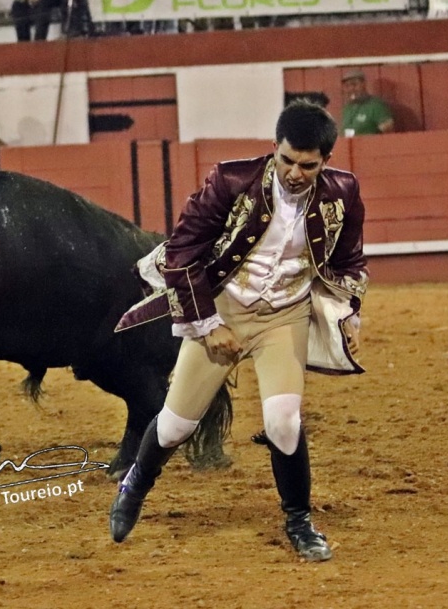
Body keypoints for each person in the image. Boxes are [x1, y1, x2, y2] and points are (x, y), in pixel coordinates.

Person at [108, 101, 367, 563]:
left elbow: (349, 264)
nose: (295, 173)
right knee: (174, 426)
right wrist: (207, 326)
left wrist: (347, 313)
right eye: (287, 160)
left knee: (283, 423)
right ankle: (135, 486)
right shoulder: (230, 179)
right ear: (275, 149)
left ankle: (299, 521)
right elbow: (182, 252)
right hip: (222, 307)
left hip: (283, 316)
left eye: (308, 165)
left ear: (326, 160)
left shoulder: (343, 192)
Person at [339, 68, 393, 136]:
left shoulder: (375, 105)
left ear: (363, 84)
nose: (351, 89)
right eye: (347, 86)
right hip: (348, 145)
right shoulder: (347, 108)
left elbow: (388, 126)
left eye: (354, 84)